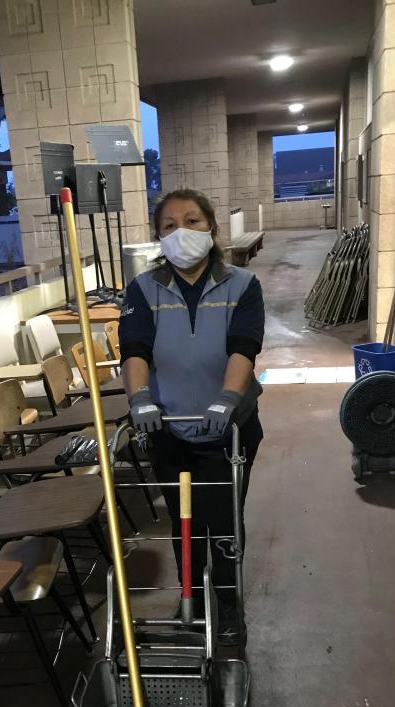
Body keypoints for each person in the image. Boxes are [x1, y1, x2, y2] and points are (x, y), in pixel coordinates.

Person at [119, 188, 265, 646]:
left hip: (228, 431)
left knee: (222, 521)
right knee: (184, 524)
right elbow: (135, 348)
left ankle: (225, 607)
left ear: (212, 228)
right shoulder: (144, 289)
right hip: (167, 429)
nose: (181, 231)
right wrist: (140, 397)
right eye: (169, 225)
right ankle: (191, 601)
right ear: (159, 237)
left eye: (193, 221)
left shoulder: (242, 284)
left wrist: (226, 398)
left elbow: (243, 346)